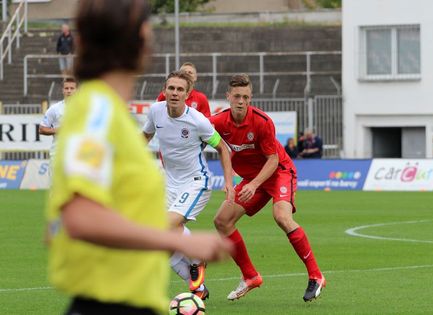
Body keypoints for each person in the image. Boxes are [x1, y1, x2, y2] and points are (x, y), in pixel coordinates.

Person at [45, 1, 231, 315]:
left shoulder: (107, 115)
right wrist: (185, 244)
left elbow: (56, 231)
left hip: (127, 298)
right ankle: (192, 274)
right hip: (108, 302)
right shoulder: (96, 114)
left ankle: (191, 278)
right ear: (143, 42)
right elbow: (78, 220)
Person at [210, 74, 326, 302]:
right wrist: (233, 181)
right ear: (228, 97)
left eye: (245, 96)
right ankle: (250, 276)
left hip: (279, 172)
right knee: (222, 220)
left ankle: (316, 275)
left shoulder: (262, 122)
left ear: (250, 97)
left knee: (281, 217)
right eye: (236, 96)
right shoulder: (217, 122)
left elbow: (273, 160)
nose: (241, 101)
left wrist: (253, 185)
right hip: (253, 179)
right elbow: (209, 141)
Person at [143, 70, 234, 300]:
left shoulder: (197, 121)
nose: (174, 93)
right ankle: (198, 289)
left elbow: (222, 147)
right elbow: (145, 136)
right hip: (169, 182)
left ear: (188, 94)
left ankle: (196, 257)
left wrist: (229, 183)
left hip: (196, 182)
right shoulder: (155, 112)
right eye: (171, 88)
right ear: (164, 91)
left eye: (180, 89)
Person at [39, 77, 78, 179]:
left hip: (78, 154)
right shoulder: (55, 109)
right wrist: (57, 130)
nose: (69, 91)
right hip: (58, 153)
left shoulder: (85, 108)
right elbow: (42, 129)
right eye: (66, 88)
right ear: (62, 90)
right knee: (55, 189)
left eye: (72, 88)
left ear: (76, 90)